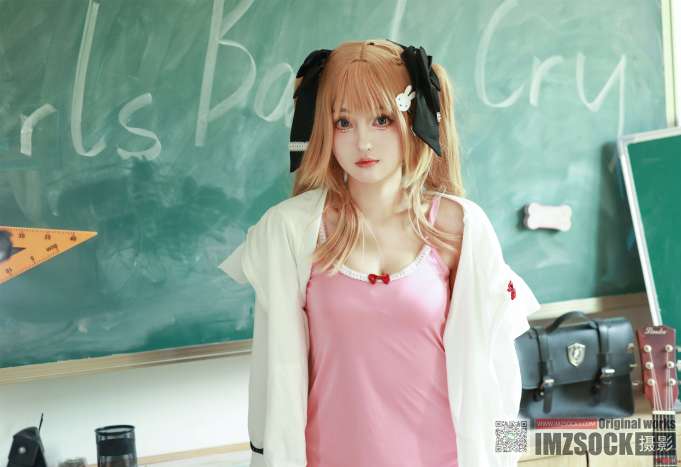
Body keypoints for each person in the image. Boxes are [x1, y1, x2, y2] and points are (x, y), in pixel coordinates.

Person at [219, 38, 541, 467]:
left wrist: (508, 458)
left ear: (413, 118)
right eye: (344, 122)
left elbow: (503, 372)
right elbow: (269, 372)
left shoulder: (462, 228)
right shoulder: (290, 231)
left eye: (382, 119)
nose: (363, 143)